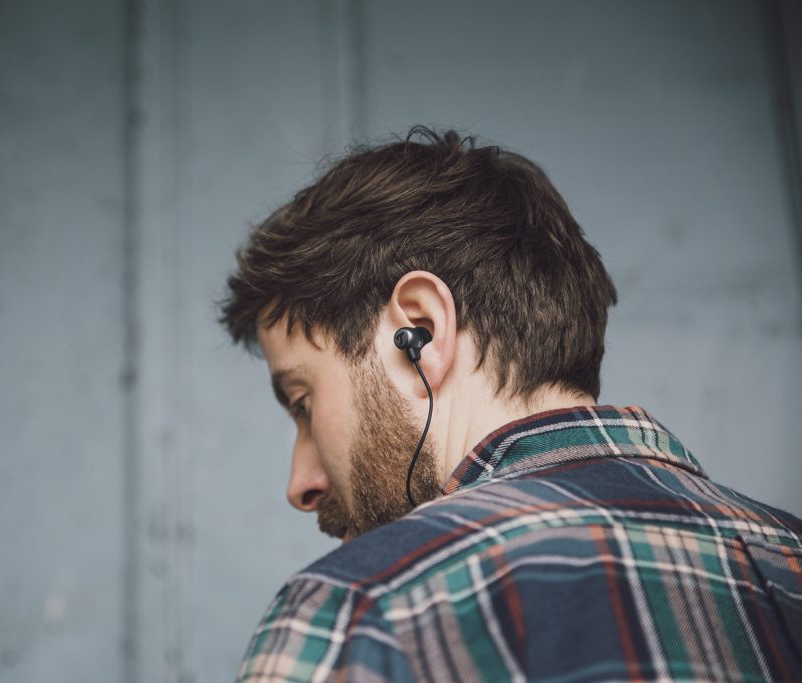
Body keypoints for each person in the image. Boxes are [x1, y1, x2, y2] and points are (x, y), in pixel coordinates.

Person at [219, 127, 802, 682]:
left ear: (419, 331)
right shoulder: (788, 554)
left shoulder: (359, 610)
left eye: (302, 401)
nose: (302, 484)